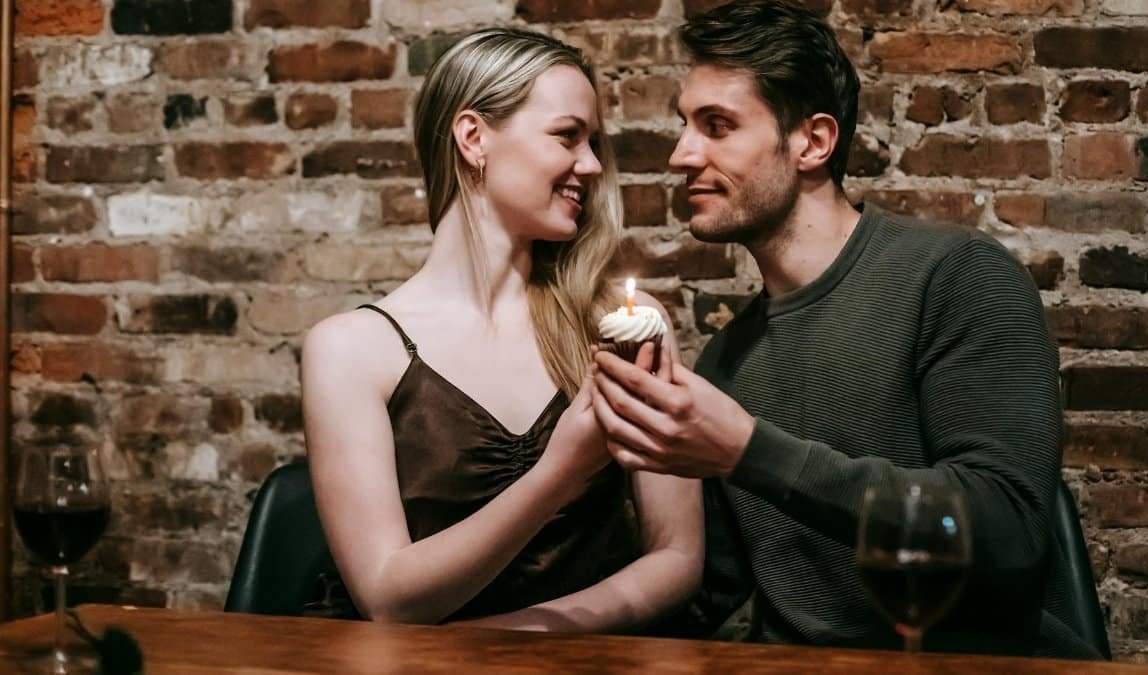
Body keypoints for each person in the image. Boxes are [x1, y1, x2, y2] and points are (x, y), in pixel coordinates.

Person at [590, 0, 1097, 658]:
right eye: (685, 125)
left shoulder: (956, 277)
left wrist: (747, 449)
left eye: (717, 125)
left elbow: (1007, 529)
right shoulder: (724, 362)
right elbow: (705, 595)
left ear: (814, 141)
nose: (681, 154)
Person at [301, 28, 701, 631]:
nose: (591, 165)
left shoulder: (625, 325)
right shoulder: (350, 349)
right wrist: (559, 471)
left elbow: (678, 556)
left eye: (593, 142)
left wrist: (520, 636)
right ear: (473, 137)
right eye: (568, 135)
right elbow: (387, 596)